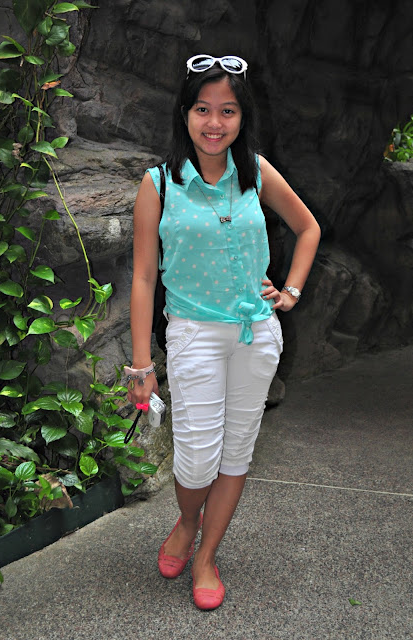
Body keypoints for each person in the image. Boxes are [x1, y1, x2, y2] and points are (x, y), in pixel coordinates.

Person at [127, 54, 321, 610]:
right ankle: (188, 521)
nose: (215, 123)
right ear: (185, 114)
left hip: (256, 334)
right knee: (195, 460)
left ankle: (206, 555)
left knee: (236, 453)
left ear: (242, 116)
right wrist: (142, 365)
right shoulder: (159, 183)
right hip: (194, 335)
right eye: (203, 109)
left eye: (228, 111)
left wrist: (291, 291)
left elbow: (307, 227)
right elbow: (143, 277)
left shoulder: (255, 171)